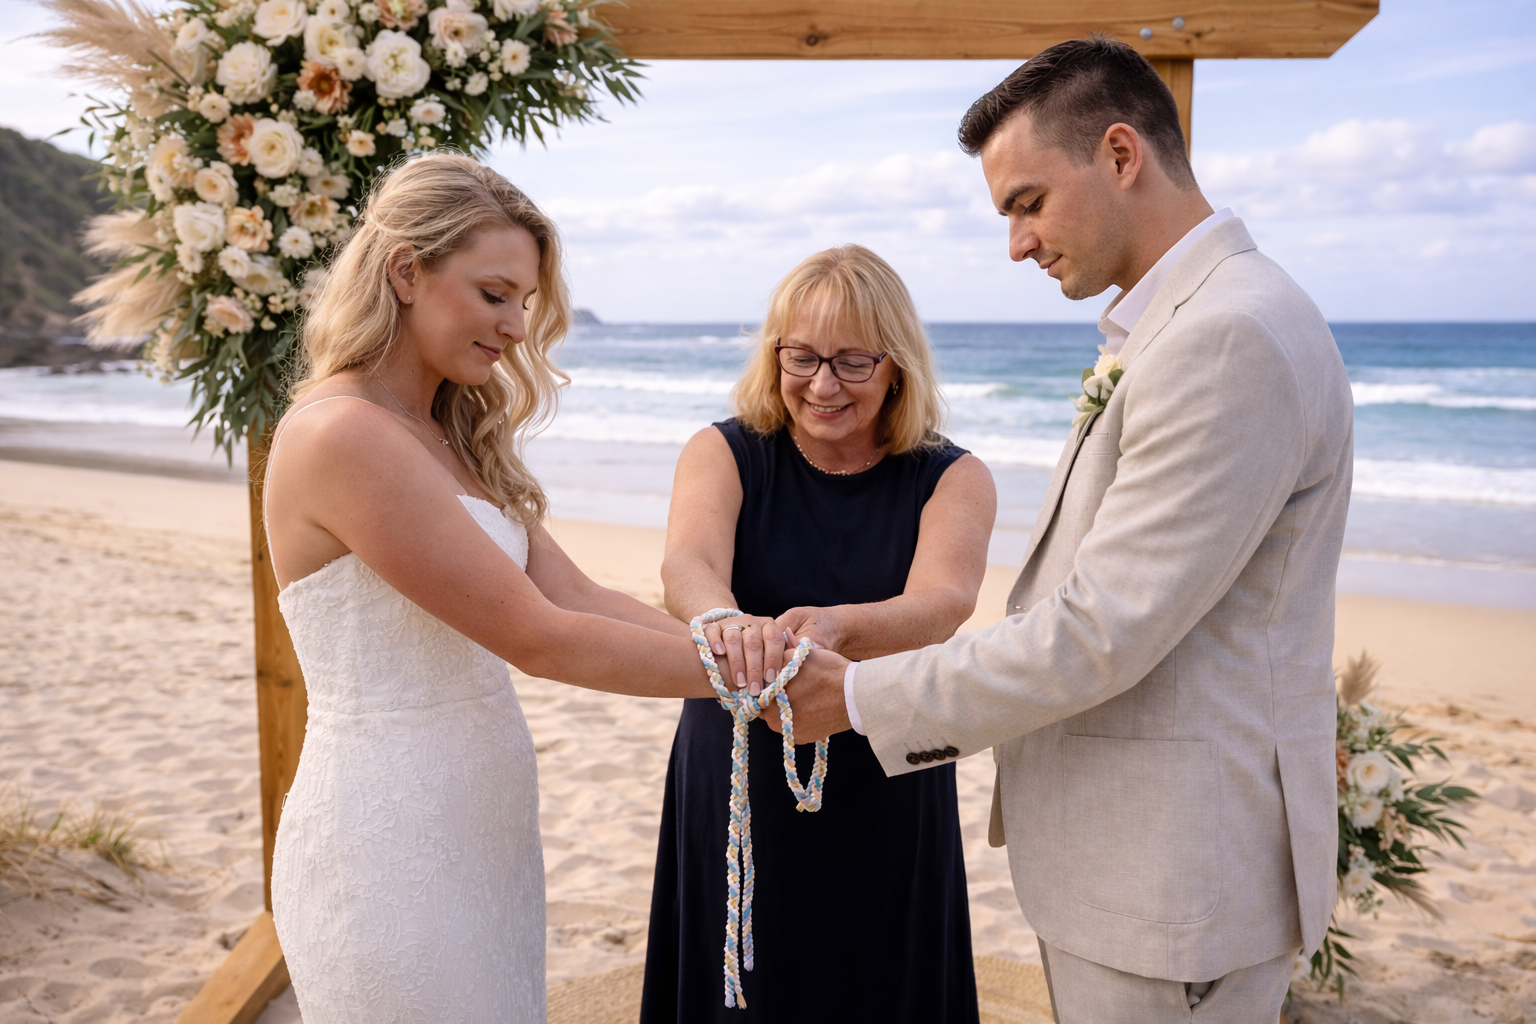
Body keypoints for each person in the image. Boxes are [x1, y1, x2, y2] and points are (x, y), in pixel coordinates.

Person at [778, 38, 1354, 1023]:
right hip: (1141, 872)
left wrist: (864, 697)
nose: (1017, 243)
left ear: (1121, 154)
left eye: (1027, 202)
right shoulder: (1196, 320)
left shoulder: (1226, 337)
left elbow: (1101, 629)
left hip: (1172, 882)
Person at [261, 154, 718, 1022]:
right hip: (386, 839)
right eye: (494, 293)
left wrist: (746, 643)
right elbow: (540, 637)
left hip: (482, 821)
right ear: (406, 271)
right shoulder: (342, 436)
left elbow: (579, 597)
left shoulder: (448, 434)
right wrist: (757, 688)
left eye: (524, 303)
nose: (515, 327)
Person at [639, 245, 997, 1024]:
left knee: (880, 975)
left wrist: (838, 626)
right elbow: (688, 565)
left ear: (897, 365)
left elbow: (946, 599)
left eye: (851, 362)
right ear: (774, 355)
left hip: (887, 767)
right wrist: (729, 626)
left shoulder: (952, 475)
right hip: (739, 767)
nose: (822, 384)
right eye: (801, 357)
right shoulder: (725, 450)